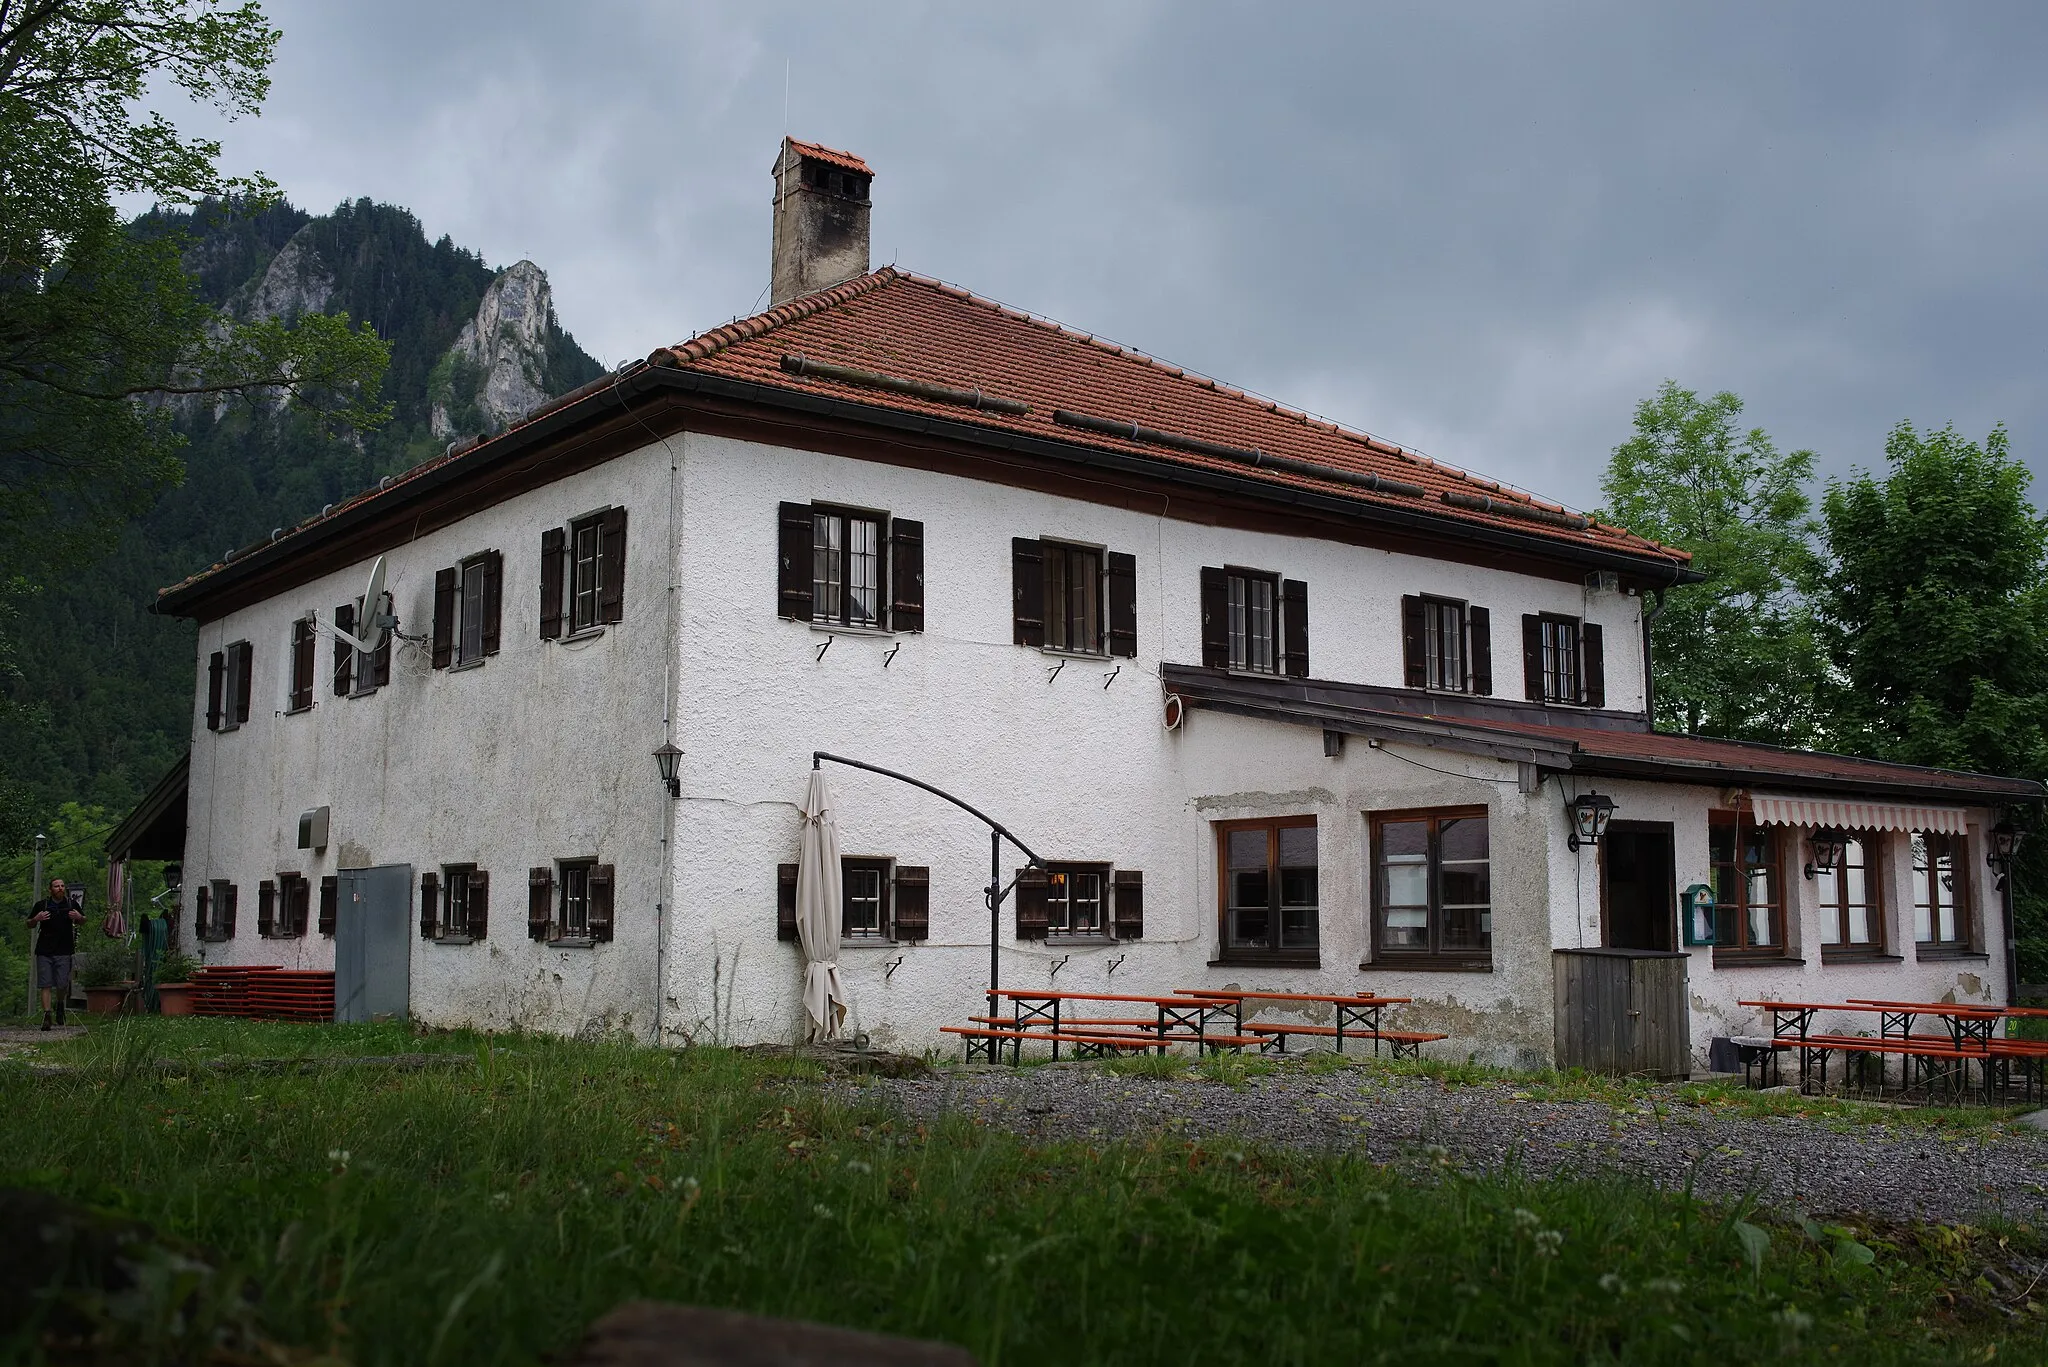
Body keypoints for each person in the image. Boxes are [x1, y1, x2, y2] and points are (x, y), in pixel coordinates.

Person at [26, 877, 84, 1029]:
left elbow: (83, 919)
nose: (60, 888)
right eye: (56, 886)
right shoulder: (42, 905)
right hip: (44, 950)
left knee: (62, 984)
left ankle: (59, 1004)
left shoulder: (71, 904)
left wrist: (78, 917)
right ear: (50, 889)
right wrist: (36, 919)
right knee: (45, 983)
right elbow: (29, 923)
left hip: (64, 949)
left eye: (62, 886)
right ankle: (47, 1015)